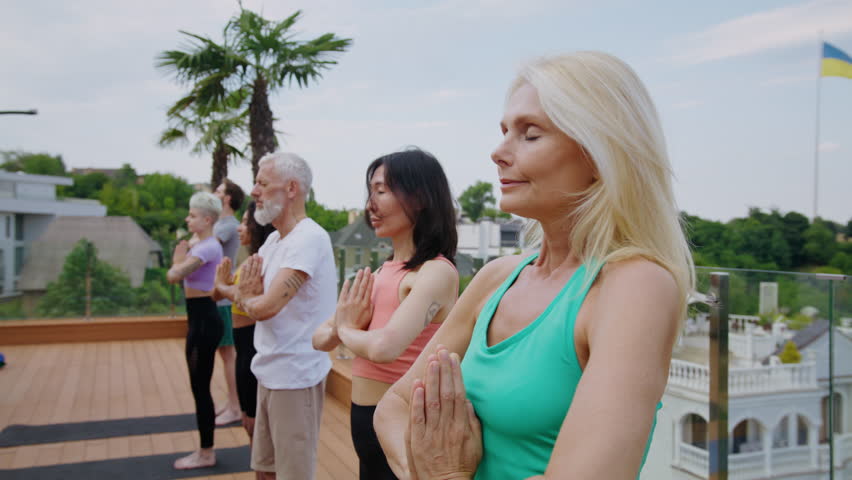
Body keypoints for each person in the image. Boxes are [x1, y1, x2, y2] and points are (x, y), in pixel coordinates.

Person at [374, 51, 696, 480]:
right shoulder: (497, 277)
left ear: (600, 156)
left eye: (530, 134)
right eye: (505, 131)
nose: (498, 152)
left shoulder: (636, 286)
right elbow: (393, 407)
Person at [312, 148, 459, 480]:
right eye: (370, 192)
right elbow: (319, 338)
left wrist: (346, 328)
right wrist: (346, 328)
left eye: (381, 191)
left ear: (420, 197)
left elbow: (384, 348)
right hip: (365, 425)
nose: (370, 205)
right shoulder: (382, 274)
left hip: (404, 424)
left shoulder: (435, 273)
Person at [235, 151, 337, 480]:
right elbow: (245, 295)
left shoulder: (310, 239)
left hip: (295, 377)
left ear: (291, 188)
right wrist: (247, 296)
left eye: (262, 183)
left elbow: (264, 306)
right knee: (265, 471)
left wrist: (247, 296)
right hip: (269, 372)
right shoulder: (275, 242)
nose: (254, 191)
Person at [166, 191, 226, 469]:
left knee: (201, 388)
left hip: (204, 320)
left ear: (207, 219)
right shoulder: (200, 243)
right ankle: (205, 449)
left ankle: (206, 452)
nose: (187, 219)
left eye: (192, 215)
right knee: (197, 386)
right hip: (198, 319)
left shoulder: (207, 248)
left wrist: (177, 260)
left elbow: (174, 275)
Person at [213, 201, 275, 438]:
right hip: (244, 356)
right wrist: (222, 285)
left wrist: (223, 285)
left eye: (246, 223)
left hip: (250, 356)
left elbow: (238, 297)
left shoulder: (259, 264)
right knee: (252, 431)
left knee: (254, 428)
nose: (240, 228)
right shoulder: (247, 262)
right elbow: (218, 293)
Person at [212, 178, 246, 426]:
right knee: (225, 354)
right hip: (219, 295)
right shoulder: (221, 224)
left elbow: (203, 247)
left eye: (219, 191)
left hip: (224, 298)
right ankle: (232, 403)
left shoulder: (228, 226)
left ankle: (235, 406)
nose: (214, 193)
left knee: (228, 354)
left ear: (227, 198)